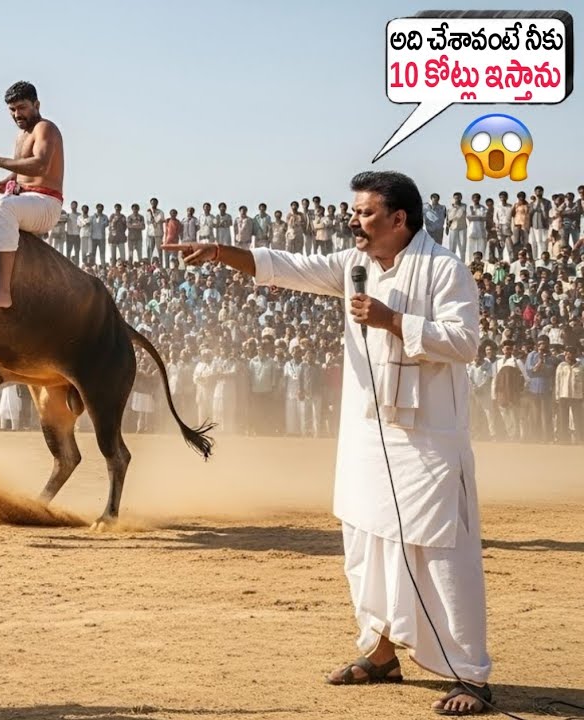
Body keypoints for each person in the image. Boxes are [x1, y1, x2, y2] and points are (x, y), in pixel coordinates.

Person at [163, 170, 492, 715]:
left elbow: (465, 342)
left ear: (399, 219)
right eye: (354, 211)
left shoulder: (444, 268)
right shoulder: (352, 266)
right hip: (366, 433)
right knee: (367, 542)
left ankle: (470, 675)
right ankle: (381, 653)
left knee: (440, 551)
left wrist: (392, 320)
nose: (353, 221)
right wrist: (221, 252)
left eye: (364, 212)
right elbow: (284, 266)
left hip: (428, 440)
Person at [0, 81, 65, 309]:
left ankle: (3, 291)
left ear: (36, 105)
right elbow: (18, 174)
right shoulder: (21, 136)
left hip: (46, 204)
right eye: (12, 110)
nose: (17, 114)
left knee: (4, 209)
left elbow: (40, 166)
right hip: (23, 200)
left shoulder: (45, 128)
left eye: (22, 107)